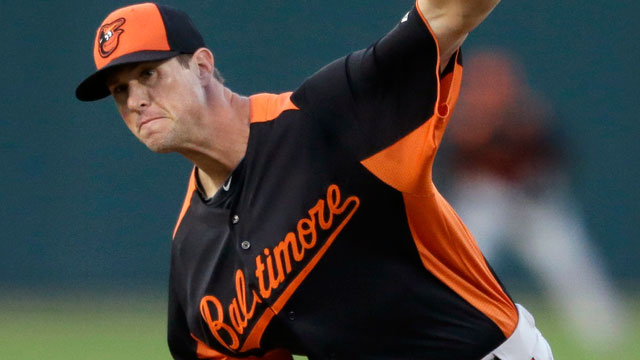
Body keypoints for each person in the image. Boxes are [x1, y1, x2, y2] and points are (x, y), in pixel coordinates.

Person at [75, 2, 553, 359]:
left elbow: (448, 14)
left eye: (149, 74)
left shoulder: (327, 117)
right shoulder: (192, 255)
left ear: (201, 66)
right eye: (120, 89)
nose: (136, 98)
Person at [443, 49, 625, 348]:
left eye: (497, 81)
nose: (491, 89)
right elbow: (453, 170)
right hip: (487, 200)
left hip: (533, 198)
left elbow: (562, 156)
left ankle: (604, 335)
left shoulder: (529, 115)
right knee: (458, 262)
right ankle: (447, 325)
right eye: (484, 82)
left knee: (566, 262)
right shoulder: (466, 122)